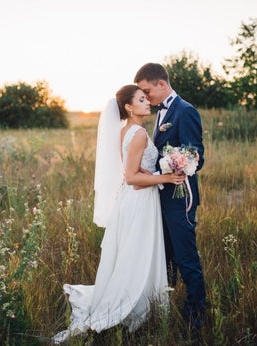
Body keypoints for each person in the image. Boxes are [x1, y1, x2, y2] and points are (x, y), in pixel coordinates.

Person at [52, 85, 184, 343]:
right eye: (141, 100)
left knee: (131, 252)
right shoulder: (139, 134)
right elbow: (133, 178)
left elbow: (131, 170)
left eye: (147, 99)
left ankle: (139, 297)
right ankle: (134, 304)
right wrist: (167, 177)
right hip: (140, 200)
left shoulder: (125, 130)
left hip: (131, 199)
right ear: (128, 107)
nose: (148, 103)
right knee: (138, 252)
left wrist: (151, 174)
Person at [134, 63, 207, 331]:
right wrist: (153, 173)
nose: (145, 96)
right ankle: (164, 307)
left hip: (180, 197)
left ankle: (195, 317)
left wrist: (169, 167)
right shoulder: (160, 113)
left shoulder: (185, 111)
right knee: (166, 256)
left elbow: (195, 156)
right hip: (160, 196)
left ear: (162, 84)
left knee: (186, 256)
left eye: (146, 90)